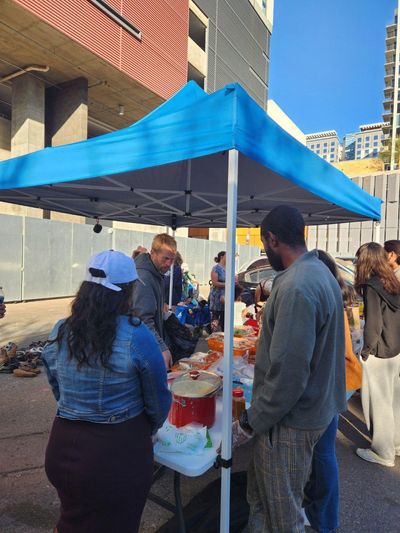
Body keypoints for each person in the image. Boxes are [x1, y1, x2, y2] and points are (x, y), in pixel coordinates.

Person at [42, 250, 171, 533]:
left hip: (62, 448)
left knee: (71, 522)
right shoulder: (137, 335)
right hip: (115, 457)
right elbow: (158, 400)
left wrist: (76, 408)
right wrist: (147, 430)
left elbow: (56, 384)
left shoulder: (61, 329)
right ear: (127, 291)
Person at [236, 205, 346, 532]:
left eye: (263, 245)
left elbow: (288, 374)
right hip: (308, 411)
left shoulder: (299, 284)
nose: (264, 251)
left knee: (283, 512)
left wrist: (250, 422)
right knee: (262, 497)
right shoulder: (318, 272)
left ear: (272, 239)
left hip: (292, 421)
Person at [303, 250, 362, 533]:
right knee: (320, 451)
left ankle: (324, 519)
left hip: (336, 379)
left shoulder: (328, 297)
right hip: (343, 377)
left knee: (323, 452)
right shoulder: (339, 292)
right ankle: (317, 508)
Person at [354, 242, 400, 467]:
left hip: (380, 352)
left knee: (381, 403)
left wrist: (366, 351)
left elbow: (373, 324)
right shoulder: (392, 280)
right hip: (396, 350)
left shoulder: (372, 286)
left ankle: (384, 452)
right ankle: (396, 444)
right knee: (394, 400)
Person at [132, 233, 176, 369]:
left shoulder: (155, 273)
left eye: (172, 260)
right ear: (153, 253)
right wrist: (161, 347)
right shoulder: (144, 277)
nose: (169, 264)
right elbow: (143, 318)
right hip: (141, 347)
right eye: (165, 259)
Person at [209, 251, 226, 331]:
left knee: (224, 317)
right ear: (222, 257)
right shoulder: (216, 268)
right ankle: (213, 335)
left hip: (225, 297)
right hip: (217, 296)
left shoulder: (228, 268)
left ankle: (224, 336)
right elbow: (214, 282)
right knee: (215, 316)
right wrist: (227, 284)